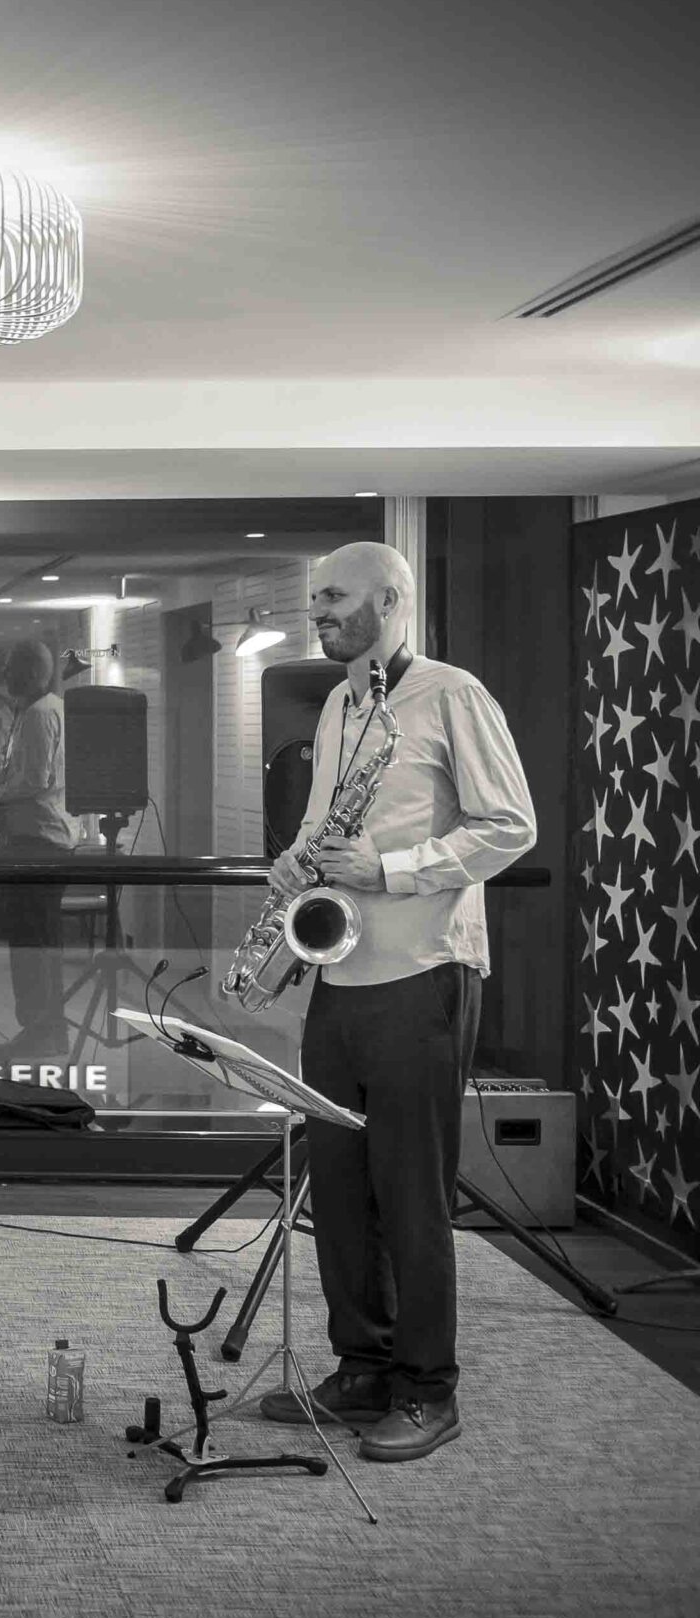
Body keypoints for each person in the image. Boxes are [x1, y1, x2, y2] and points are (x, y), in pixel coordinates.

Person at [257, 542, 535, 1464]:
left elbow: (511, 825)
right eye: (315, 598)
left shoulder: (453, 695)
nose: (318, 612)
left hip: (423, 972)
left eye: (334, 597)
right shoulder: (339, 703)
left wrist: (394, 868)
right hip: (341, 973)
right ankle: (363, 1366)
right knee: (340, 1191)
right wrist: (296, 860)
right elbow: (323, 824)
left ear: (389, 600)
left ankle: (427, 1387)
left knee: (412, 1194)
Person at [0, 641, 72, 1058]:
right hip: (42, 840)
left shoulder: (39, 715)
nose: (5, 675)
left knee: (31, 946)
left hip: (37, 841)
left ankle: (40, 1031)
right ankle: (45, 1030)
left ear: (31, 672)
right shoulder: (46, 710)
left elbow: (35, 779)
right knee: (40, 944)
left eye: (11, 668)